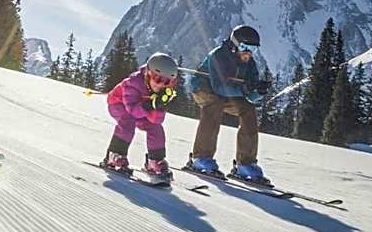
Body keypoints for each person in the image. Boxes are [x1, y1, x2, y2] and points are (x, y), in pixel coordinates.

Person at [185, 25, 271, 182]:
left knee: (248, 109)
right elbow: (219, 87)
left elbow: (250, 97)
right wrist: (245, 89)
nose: (248, 53)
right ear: (234, 45)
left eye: (253, 49)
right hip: (203, 89)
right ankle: (200, 157)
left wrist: (258, 92)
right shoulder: (218, 55)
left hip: (228, 94)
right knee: (214, 104)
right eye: (245, 47)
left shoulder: (250, 64)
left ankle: (245, 163)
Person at [103, 52, 179, 178]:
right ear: (148, 73)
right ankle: (115, 154)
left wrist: (158, 106)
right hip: (118, 104)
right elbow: (132, 110)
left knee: (156, 128)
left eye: (167, 82)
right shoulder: (133, 83)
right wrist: (150, 104)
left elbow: (156, 121)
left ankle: (154, 161)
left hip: (141, 109)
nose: (160, 84)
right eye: (158, 78)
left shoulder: (163, 92)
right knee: (128, 121)